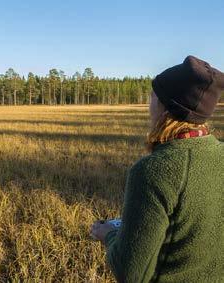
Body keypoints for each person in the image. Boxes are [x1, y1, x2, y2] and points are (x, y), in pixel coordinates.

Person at [90, 55, 224, 282]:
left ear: (165, 108)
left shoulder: (153, 171)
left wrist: (109, 234)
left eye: (153, 96)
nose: (148, 104)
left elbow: (131, 272)